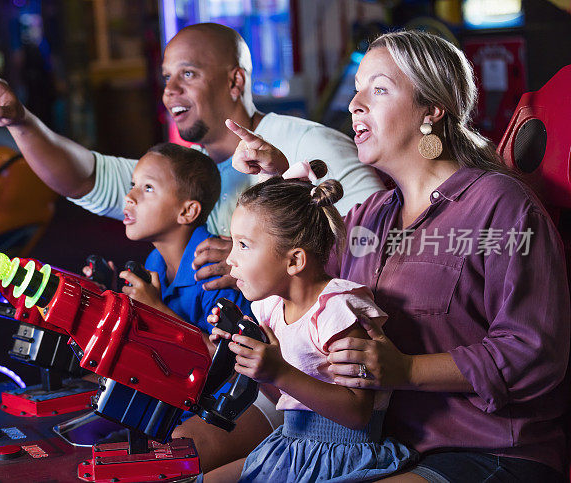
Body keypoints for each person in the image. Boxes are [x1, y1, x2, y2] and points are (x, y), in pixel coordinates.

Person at [225, 30, 570, 482]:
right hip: (386, 449)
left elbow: (534, 352)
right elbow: (301, 276)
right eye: (356, 90)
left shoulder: (500, 204)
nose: (355, 104)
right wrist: (281, 173)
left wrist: (407, 370)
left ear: (431, 110)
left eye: (379, 89)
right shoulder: (370, 218)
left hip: (489, 451)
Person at [0, 22, 385, 293]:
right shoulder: (188, 172)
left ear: (235, 80)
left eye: (187, 74)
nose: (169, 91)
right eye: (167, 77)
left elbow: (376, 249)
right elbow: (85, 179)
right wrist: (19, 122)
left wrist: (258, 261)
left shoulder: (308, 145)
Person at [201, 163, 415, 482]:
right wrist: (241, 352)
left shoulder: (338, 311)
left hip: (340, 454)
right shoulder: (270, 307)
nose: (231, 258)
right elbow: (280, 387)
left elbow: (358, 414)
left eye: (243, 245)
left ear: (294, 260)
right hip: (290, 445)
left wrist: (278, 372)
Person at [109, 142, 253, 333]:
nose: (129, 196)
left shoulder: (215, 273)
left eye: (148, 188)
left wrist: (157, 311)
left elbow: (229, 359)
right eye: (133, 185)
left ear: (187, 211)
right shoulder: (155, 260)